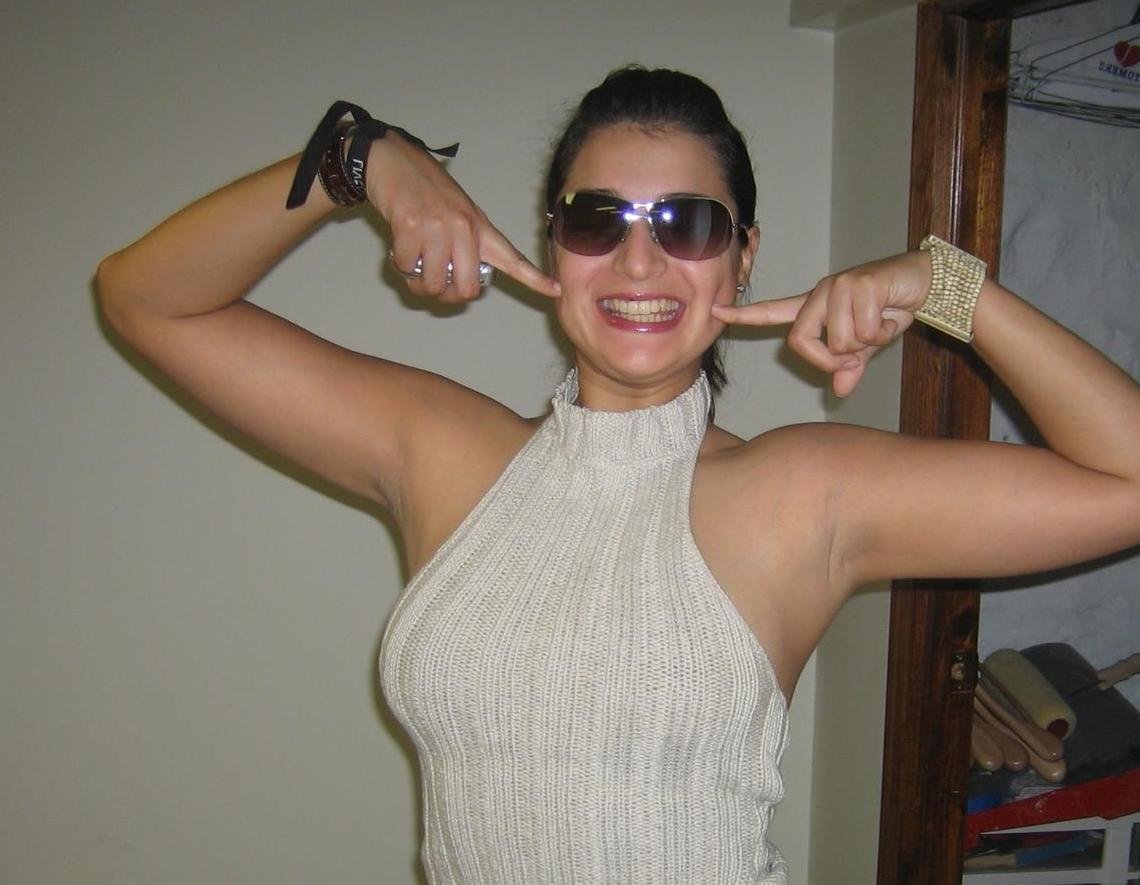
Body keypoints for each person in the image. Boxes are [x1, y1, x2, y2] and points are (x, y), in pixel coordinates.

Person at [96, 67, 1140, 884]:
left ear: (743, 257)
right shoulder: (442, 452)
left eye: (688, 225)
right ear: (554, 244)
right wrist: (362, 161)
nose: (639, 266)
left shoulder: (805, 495)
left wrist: (947, 288)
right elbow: (143, 298)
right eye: (599, 221)